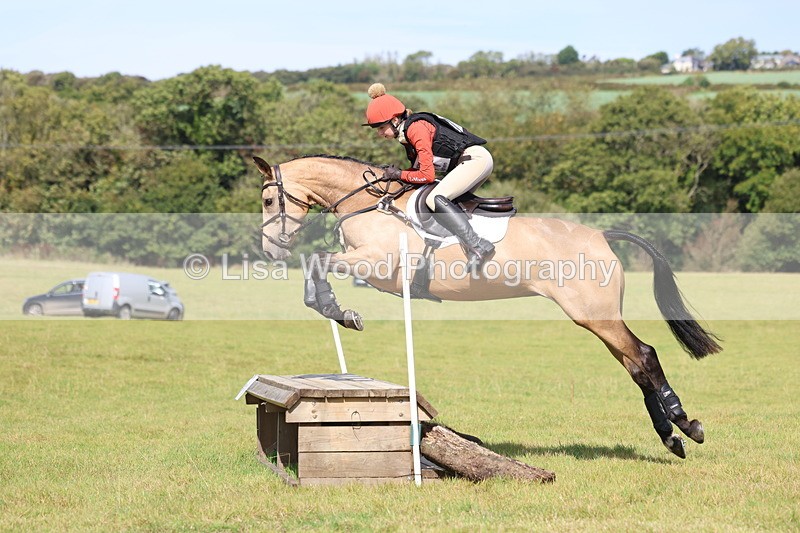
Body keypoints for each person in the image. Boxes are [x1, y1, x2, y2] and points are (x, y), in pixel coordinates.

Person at [363, 83, 495, 269]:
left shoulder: (415, 129)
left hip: (475, 160)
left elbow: (426, 175)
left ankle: (478, 246)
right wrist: (398, 177)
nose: (379, 133)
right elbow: (417, 172)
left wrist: (399, 174)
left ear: (394, 120)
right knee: (444, 204)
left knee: (435, 198)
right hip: (468, 162)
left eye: (381, 127)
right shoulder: (407, 134)